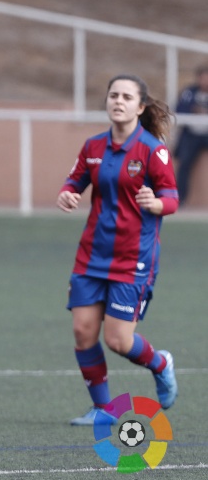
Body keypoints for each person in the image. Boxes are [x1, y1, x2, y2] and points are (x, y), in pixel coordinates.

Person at [56, 74, 179, 426]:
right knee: (83, 331)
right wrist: (68, 194)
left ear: (140, 107)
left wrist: (156, 203)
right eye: (114, 95)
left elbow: (172, 198)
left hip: (133, 259)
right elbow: (74, 181)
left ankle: (160, 364)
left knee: (119, 341)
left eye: (126, 97)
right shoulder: (93, 146)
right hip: (92, 254)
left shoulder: (152, 150)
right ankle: (104, 409)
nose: (118, 101)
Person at [174, 64, 208, 205]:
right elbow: (179, 109)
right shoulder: (189, 92)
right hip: (191, 134)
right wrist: (193, 110)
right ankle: (180, 199)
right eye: (203, 78)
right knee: (184, 163)